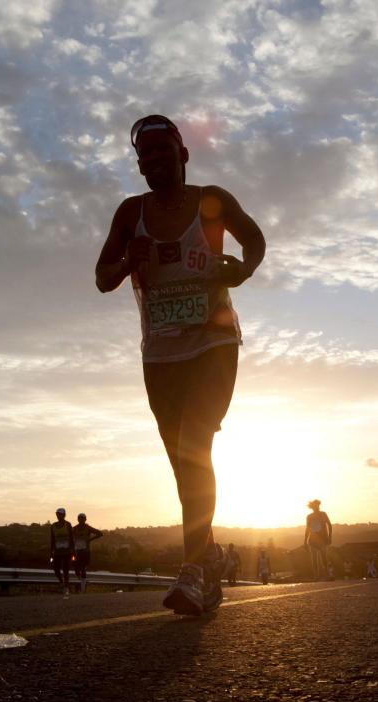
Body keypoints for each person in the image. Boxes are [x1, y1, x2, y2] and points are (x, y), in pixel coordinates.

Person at [95, 114, 265, 615]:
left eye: (162, 155)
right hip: (161, 353)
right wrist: (130, 259)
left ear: (183, 155)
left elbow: (253, 240)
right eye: (144, 159)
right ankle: (210, 560)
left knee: (195, 444)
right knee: (181, 462)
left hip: (213, 344)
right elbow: (103, 277)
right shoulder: (131, 214)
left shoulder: (212, 200)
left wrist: (244, 269)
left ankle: (192, 571)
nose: (153, 166)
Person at [72, 512, 103, 593]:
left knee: (82, 568)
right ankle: (82, 583)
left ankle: (82, 589)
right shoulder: (74, 528)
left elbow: (100, 533)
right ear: (77, 519)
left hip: (85, 552)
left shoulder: (88, 528)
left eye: (82, 518)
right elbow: (69, 537)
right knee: (76, 569)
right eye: (79, 518)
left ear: (85, 519)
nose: (81, 520)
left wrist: (90, 540)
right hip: (77, 552)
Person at [304, 499, 332, 580]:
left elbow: (329, 525)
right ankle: (316, 576)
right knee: (314, 559)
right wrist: (305, 541)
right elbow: (307, 529)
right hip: (312, 540)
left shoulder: (324, 514)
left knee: (324, 558)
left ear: (319, 506)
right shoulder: (309, 516)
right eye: (315, 506)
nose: (317, 507)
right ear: (312, 507)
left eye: (318, 506)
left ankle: (327, 575)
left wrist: (330, 537)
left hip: (323, 539)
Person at [50, 507, 74, 597]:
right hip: (57, 551)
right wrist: (51, 552)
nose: (58, 515)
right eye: (57, 514)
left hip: (67, 551)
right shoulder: (53, 526)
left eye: (60, 514)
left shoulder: (68, 525)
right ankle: (62, 582)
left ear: (64, 515)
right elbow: (52, 539)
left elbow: (72, 538)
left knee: (65, 569)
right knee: (55, 568)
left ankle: (66, 586)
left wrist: (73, 551)